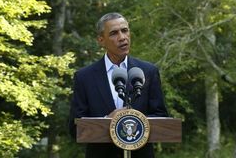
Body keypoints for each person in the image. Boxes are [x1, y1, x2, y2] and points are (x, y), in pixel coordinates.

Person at [69, 12, 168, 158]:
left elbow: (161, 116)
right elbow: (74, 128)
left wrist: (135, 119)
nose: (122, 37)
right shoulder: (85, 77)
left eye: (125, 31)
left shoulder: (148, 71)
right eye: (114, 33)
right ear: (101, 40)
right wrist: (107, 120)